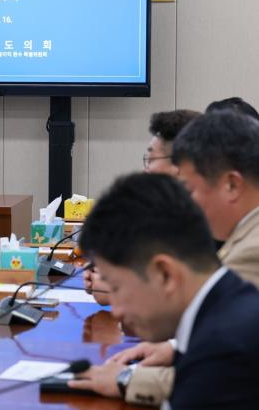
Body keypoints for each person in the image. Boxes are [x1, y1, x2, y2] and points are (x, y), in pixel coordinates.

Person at [73, 109, 259, 406]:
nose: (185, 203)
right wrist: (175, 347)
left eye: (188, 189)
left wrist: (126, 377)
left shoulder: (252, 250)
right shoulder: (242, 233)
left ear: (232, 185)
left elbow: (228, 348)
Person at [84, 109, 200, 304]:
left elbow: (198, 297)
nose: (146, 170)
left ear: (180, 166)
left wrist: (120, 291)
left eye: (151, 160)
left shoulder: (205, 220)